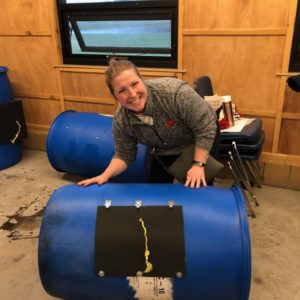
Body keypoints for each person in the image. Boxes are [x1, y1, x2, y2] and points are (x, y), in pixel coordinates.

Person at [78, 58, 217, 188]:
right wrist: (104, 176)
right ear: (115, 96)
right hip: (162, 149)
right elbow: (124, 154)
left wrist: (198, 165)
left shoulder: (174, 93)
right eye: (122, 90)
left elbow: (206, 128)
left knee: (199, 186)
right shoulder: (121, 120)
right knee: (156, 190)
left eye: (134, 84)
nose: (132, 94)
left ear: (142, 80)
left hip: (199, 137)